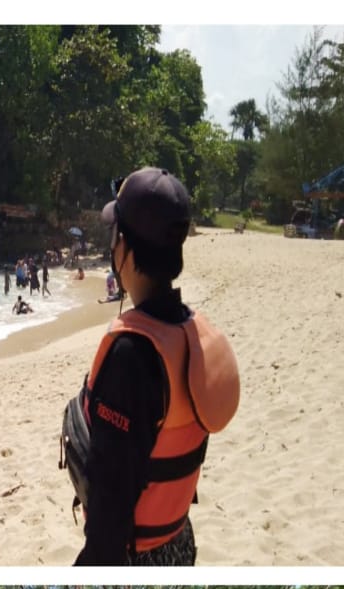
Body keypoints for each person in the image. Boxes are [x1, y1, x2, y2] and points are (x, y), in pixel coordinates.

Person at [70, 167, 241, 566]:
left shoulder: (132, 355)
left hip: (136, 555)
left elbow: (112, 501)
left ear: (125, 248)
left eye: (114, 235)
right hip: (179, 541)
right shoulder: (192, 332)